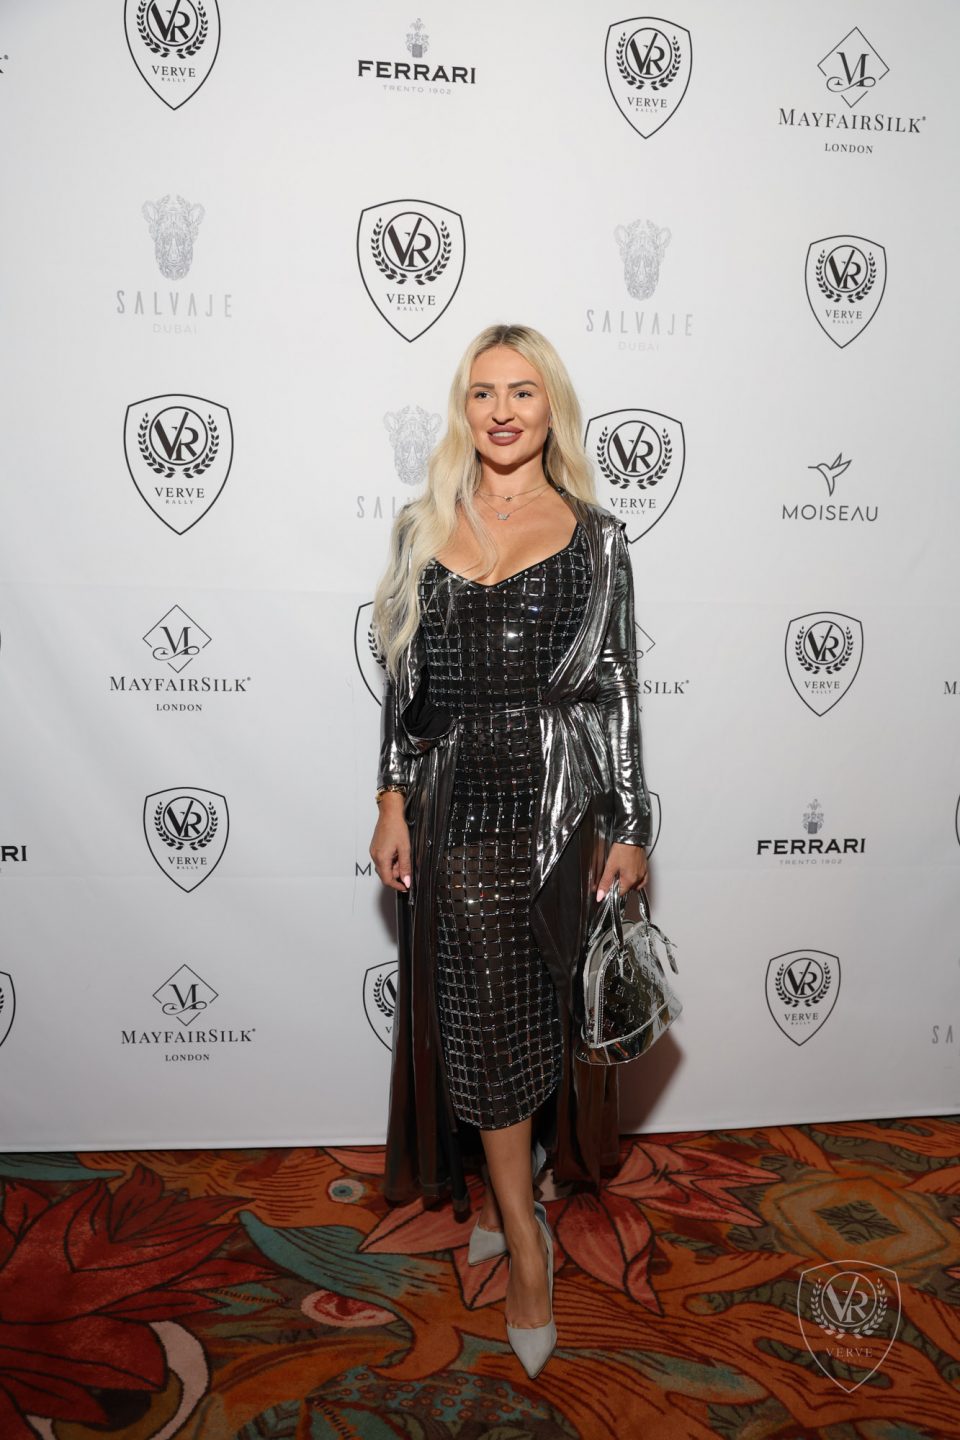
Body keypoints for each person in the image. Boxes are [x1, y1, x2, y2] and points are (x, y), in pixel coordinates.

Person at [369, 323, 651, 1377]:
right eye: (483, 392)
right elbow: (404, 686)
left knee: (535, 1013)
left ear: (549, 407)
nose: (501, 411)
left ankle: (504, 1190)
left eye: (522, 391)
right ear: (464, 408)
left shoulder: (597, 537)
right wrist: (390, 798)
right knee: (483, 1017)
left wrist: (631, 822)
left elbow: (617, 688)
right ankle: (526, 1245)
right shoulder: (421, 527)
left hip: (560, 808)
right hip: (457, 813)